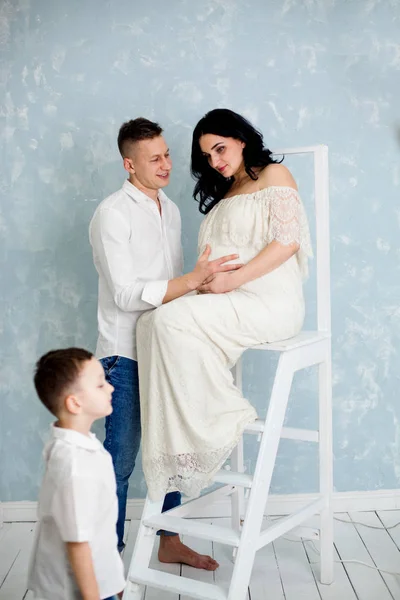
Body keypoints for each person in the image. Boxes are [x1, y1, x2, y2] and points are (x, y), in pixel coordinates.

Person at [136, 108, 313, 501]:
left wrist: (233, 279)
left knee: (169, 323)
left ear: (241, 139)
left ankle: (223, 419)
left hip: (269, 301)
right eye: (208, 157)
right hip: (226, 301)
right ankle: (183, 446)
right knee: (149, 324)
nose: (216, 162)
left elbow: (288, 242)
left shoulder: (273, 176)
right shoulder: (225, 193)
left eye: (220, 149)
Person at [89, 117, 239, 568]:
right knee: (119, 463)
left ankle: (169, 540)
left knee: (171, 450)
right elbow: (124, 294)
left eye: (168, 154)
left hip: (167, 349)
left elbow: (176, 290)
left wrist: (205, 286)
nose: (167, 164)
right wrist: (191, 279)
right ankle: (106, 558)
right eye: (154, 158)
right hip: (124, 355)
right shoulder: (112, 213)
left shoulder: (170, 210)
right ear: (128, 164)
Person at [28, 348, 125, 600]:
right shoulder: (75, 464)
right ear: (75, 403)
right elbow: (78, 544)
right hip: (80, 590)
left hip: (99, 580)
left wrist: (113, 579)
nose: (111, 389)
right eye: (100, 385)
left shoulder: (80, 445)